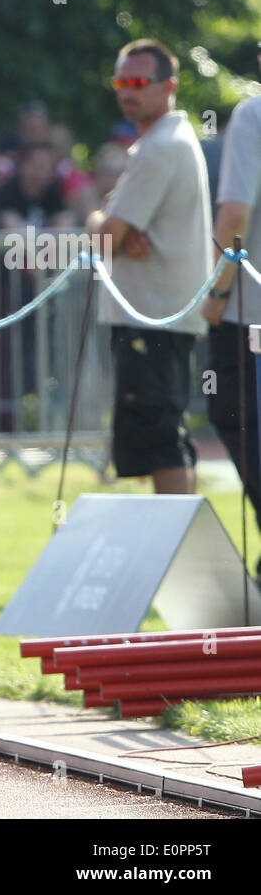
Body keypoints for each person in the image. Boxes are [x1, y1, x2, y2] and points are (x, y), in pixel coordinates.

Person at [85, 38, 212, 495]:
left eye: (139, 81)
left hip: (153, 317)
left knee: (161, 440)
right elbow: (115, 236)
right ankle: (183, 551)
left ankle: (177, 555)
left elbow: (103, 238)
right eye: (122, 81)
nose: (127, 90)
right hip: (163, 315)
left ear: (169, 87)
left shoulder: (158, 147)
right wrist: (112, 227)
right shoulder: (172, 139)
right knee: (168, 434)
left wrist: (98, 217)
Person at [201, 42, 261, 566]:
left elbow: (233, 216)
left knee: (236, 417)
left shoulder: (253, 114)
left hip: (250, 313)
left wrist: (217, 292)